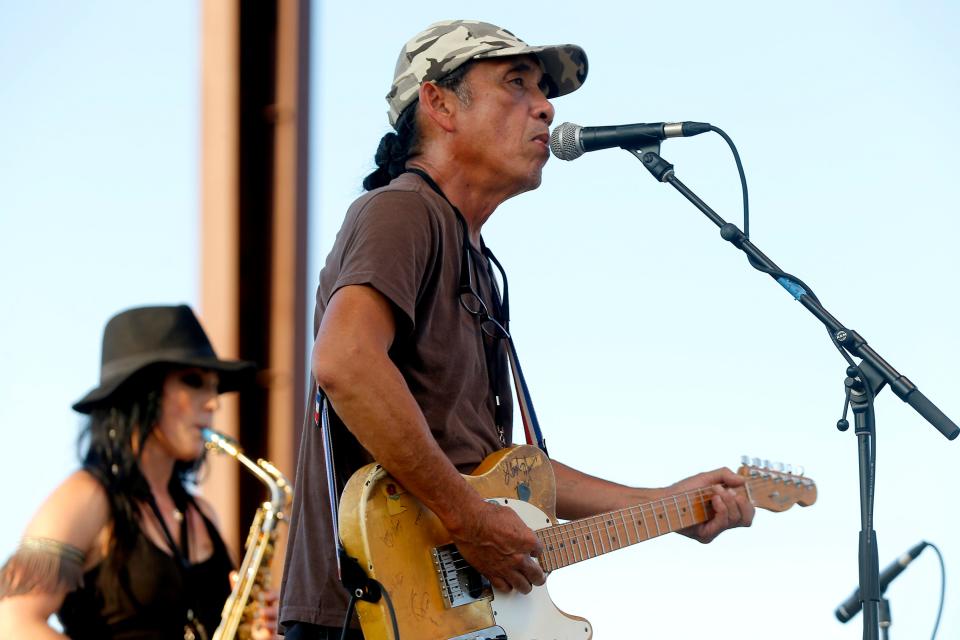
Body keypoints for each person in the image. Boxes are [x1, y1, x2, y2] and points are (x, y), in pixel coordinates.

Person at [278, 20, 755, 639]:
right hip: (366, 615)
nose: (546, 106)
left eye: (542, 89)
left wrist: (667, 505)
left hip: (448, 618)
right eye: (516, 83)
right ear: (439, 103)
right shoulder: (402, 210)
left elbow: (505, 475)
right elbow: (344, 360)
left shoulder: (476, 261)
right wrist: (469, 520)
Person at [0, 305, 279, 639]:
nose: (213, 403)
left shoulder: (203, 515)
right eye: (193, 381)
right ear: (141, 391)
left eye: (215, 387)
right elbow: (12, 622)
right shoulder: (86, 495)